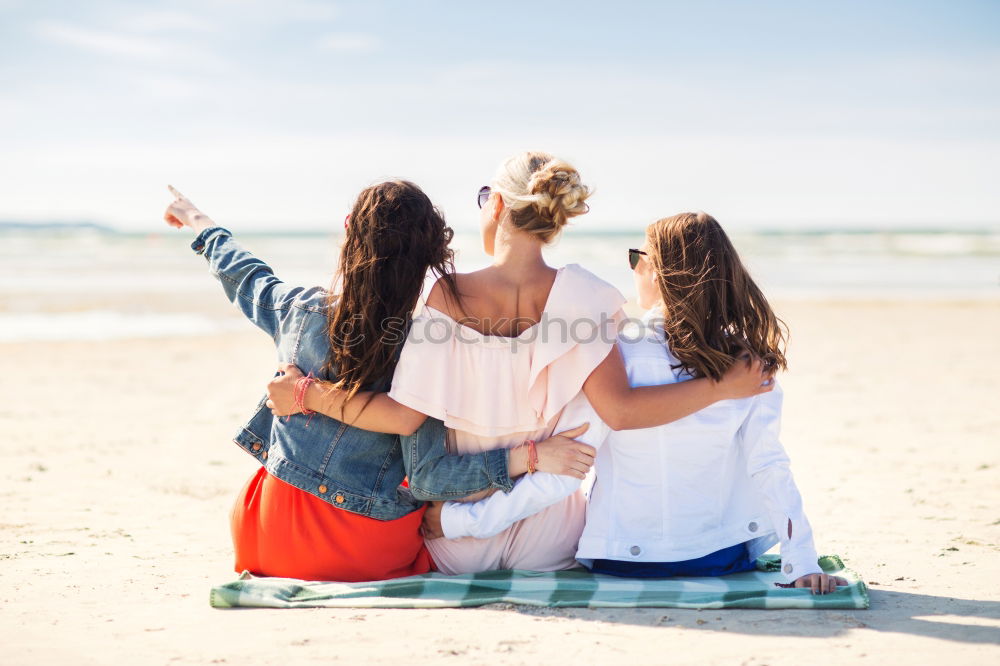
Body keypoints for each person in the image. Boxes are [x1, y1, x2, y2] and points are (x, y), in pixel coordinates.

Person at [265, 154, 773, 575]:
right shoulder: (590, 297)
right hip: (553, 536)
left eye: (485, 198)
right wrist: (719, 388)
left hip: (458, 535)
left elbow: (402, 417)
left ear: (500, 204)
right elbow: (621, 412)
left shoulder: (447, 294)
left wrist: (310, 394)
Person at [162, 181, 597, 582]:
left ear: (349, 237)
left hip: (265, 535)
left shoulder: (299, 310)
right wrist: (531, 455)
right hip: (366, 550)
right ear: (431, 255)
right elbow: (432, 480)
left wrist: (201, 224)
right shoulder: (428, 340)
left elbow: (247, 275)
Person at [421, 212, 847, 594]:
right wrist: (802, 563)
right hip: (719, 556)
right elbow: (769, 466)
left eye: (636, 257)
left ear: (656, 272)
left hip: (621, 557)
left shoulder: (615, 351)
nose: (634, 269)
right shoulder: (746, 363)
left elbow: (569, 469)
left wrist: (462, 522)